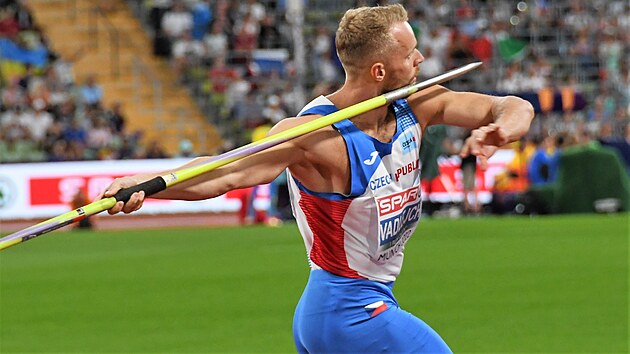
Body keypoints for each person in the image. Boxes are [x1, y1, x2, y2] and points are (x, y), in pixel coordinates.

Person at [99, 4, 534, 353]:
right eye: (409, 54)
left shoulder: (417, 106)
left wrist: (505, 128)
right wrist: (148, 183)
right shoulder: (314, 136)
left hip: (356, 307)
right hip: (348, 313)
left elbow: (510, 105)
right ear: (380, 72)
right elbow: (227, 171)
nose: (421, 60)